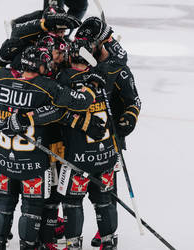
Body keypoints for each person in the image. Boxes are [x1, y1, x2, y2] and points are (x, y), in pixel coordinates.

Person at [0, 45, 102, 250]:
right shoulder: (47, 86)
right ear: (39, 67)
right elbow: (75, 104)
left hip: (3, 160)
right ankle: (28, 245)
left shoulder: (1, 79)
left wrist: (1, 57)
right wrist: (91, 87)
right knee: (31, 210)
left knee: (2, 205)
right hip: (32, 164)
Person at [75, 16, 142, 249]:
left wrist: (127, 120)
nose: (83, 49)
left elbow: (134, 101)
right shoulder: (78, 64)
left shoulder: (119, 70)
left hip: (108, 138)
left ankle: (106, 231)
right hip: (78, 139)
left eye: (89, 44)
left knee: (105, 189)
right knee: (72, 189)